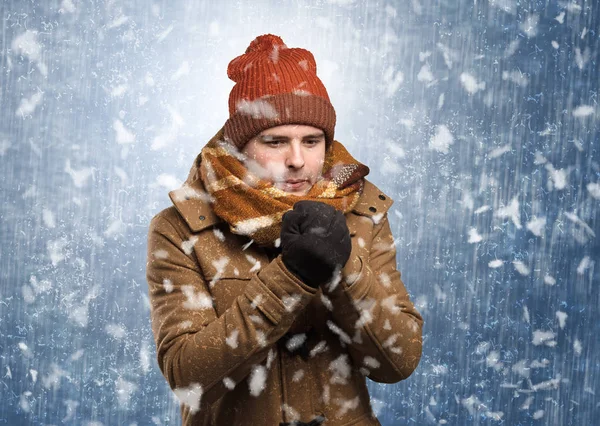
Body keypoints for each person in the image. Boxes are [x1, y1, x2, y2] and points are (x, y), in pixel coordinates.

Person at [146, 34, 423, 426]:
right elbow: (188, 377)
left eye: (311, 141)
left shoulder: (360, 209)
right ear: (240, 146)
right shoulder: (182, 227)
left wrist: (345, 269)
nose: (297, 160)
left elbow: (398, 362)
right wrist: (290, 277)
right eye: (274, 141)